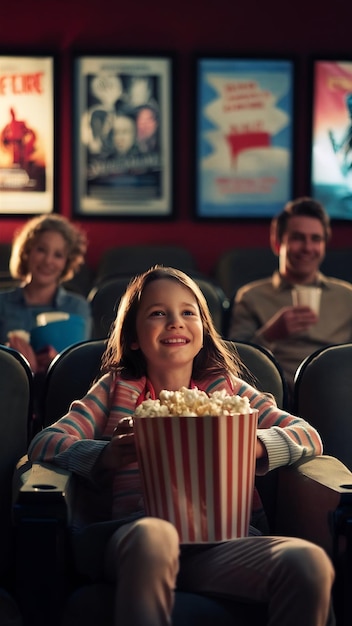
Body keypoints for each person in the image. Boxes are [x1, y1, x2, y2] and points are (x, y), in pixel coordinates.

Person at [28, 265, 335, 626]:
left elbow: (307, 436)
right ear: (133, 338)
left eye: (188, 312)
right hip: (135, 537)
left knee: (309, 563)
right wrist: (106, 454)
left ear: (203, 331)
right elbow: (45, 442)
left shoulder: (229, 391)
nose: (175, 322)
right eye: (158, 313)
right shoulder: (115, 389)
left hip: (221, 543)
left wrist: (253, 446)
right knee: (155, 536)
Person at [227, 196, 352, 399]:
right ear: (277, 244)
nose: (307, 247)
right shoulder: (251, 296)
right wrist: (270, 334)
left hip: (337, 396)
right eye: (298, 238)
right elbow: (234, 363)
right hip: (276, 396)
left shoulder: (347, 296)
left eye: (316, 239)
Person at [0, 213, 92, 375]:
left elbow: (81, 370)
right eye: (41, 250)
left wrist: (57, 364)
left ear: (66, 263)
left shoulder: (77, 307)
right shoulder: (2, 303)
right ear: (27, 252)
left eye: (58, 255)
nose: (48, 261)